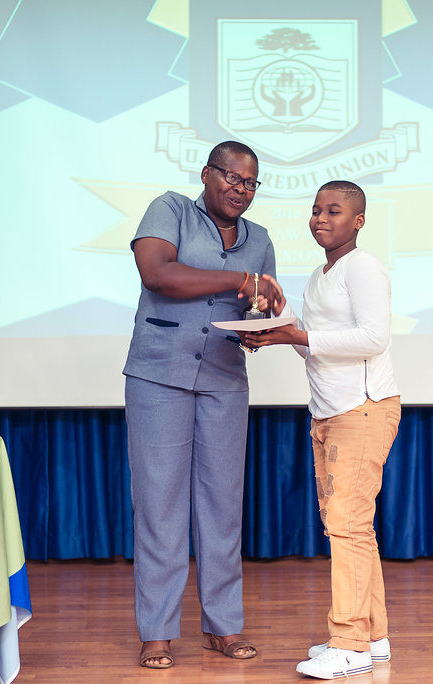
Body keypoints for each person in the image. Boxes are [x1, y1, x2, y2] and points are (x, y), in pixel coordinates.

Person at [123, 140, 284, 669]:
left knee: (222, 507)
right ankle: (157, 632)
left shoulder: (260, 239)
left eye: (250, 182)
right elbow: (157, 273)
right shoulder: (170, 209)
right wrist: (240, 280)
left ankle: (223, 625)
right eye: (232, 177)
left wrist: (260, 326)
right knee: (159, 506)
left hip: (224, 379)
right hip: (159, 376)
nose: (241, 189)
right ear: (207, 174)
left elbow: (258, 305)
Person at [242, 180, 400, 679]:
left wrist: (296, 333)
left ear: (358, 221)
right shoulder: (318, 276)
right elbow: (312, 345)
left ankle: (349, 643)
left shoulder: (363, 266)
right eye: (315, 210)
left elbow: (373, 338)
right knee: (355, 528)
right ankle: (372, 637)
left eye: (334, 211)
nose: (320, 219)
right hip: (329, 410)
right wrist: (277, 324)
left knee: (347, 527)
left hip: (363, 407)